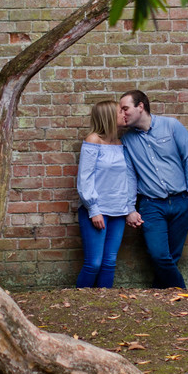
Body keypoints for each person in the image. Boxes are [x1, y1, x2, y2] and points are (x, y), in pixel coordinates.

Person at [118, 89, 188, 289]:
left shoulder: (171, 126)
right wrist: (130, 208)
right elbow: (130, 175)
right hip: (151, 205)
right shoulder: (127, 140)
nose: (122, 113)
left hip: (182, 202)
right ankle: (183, 292)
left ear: (140, 106)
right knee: (159, 254)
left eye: (125, 108)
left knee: (173, 255)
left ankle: (160, 295)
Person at [75, 100, 142, 288]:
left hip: (118, 212)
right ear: (108, 116)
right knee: (93, 263)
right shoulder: (93, 140)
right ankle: (77, 304)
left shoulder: (120, 143)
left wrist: (129, 208)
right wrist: (94, 209)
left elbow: (128, 179)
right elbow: (84, 178)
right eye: (120, 111)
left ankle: (104, 305)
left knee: (109, 262)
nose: (124, 114)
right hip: (96, 212)